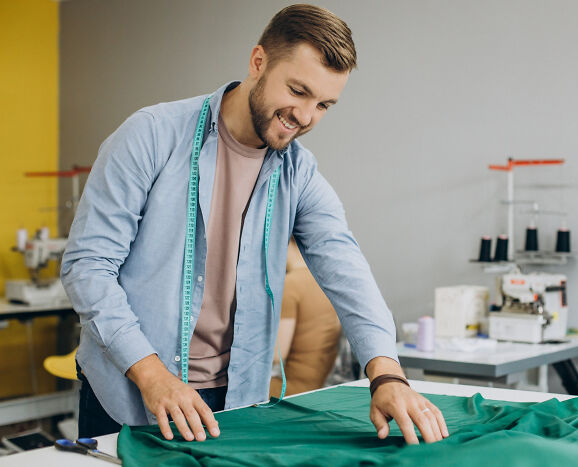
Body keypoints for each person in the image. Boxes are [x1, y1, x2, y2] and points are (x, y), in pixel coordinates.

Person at [61, 4, 448, 445]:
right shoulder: (151, 135)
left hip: (233, 402)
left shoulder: (298, 172)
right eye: (298, 91)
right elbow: (87, 267)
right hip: (130, 391)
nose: (305, 116)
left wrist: (386, 375)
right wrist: (153, 375)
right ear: (258, 62)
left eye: (323, 104)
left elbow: (347, 269)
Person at [270, 238, 342, 398]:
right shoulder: (326, 281)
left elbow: (277, 355)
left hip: (290, 389)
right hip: (320, 384)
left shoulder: (291, 285)